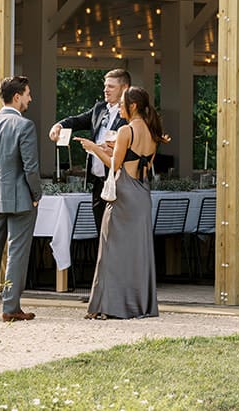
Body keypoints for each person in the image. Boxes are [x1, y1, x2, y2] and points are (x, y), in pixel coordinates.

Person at [81, 86, 163, 319]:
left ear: (133, 106)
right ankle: (138, 304)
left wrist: (94, 148)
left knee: (111, 250)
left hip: (124, 194)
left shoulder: (126, 130)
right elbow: (139, 161)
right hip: (142, 194)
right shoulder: (152, 131)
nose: (119, 108)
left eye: (122, 104)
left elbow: (114, 165)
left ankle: (110, 306)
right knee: (138, 252)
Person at [0, 75, 42, 322]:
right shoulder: (24, 126)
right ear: (17, 97)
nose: (30, 98)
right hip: (21, 197)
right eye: (27, 94)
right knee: (17, 252)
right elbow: (31, 168)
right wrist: (37, 194)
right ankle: (11, 307)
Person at [52, 68, 130, 220]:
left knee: (115, 232)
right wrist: (59, 126)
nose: (105, 90)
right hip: (98, 183)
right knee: (100, 231)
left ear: (125, 88)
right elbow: (77, 120)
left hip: (120, 183)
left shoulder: (130, 114)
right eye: (105, 86)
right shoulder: (99, 109)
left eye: (111, 87)